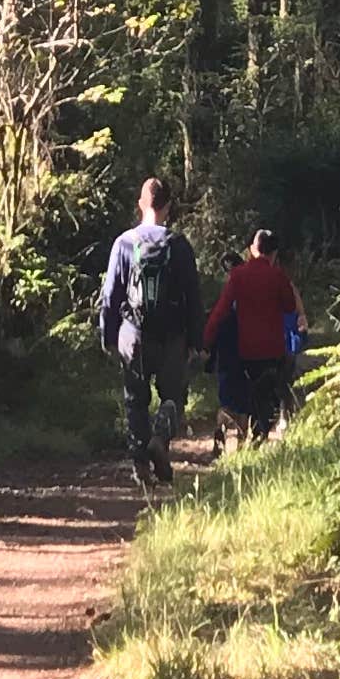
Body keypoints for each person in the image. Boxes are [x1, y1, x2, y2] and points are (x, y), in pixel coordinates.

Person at [96, 173, 204, 491]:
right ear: (168, 207)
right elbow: (193, 297)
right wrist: (197, 339)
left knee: (136, 400)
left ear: (140, 204)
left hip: (134, 335)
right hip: (172, 336)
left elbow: (111, 295)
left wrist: (109, 335)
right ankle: (160, 438)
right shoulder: (179, 245)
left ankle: (141, 465)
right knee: (173, 397)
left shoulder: (124, 243)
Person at [208, 226, 306, 441]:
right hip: (272, 349)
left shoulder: (238, 275)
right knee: (271, 391)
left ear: (252, 250)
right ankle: (260, 434)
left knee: (247, 390)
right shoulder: (278, 276)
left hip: (245, 349)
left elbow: (222, 309)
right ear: (274, 254)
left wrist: (206, 337)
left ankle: (244, 430)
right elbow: (290, 306)